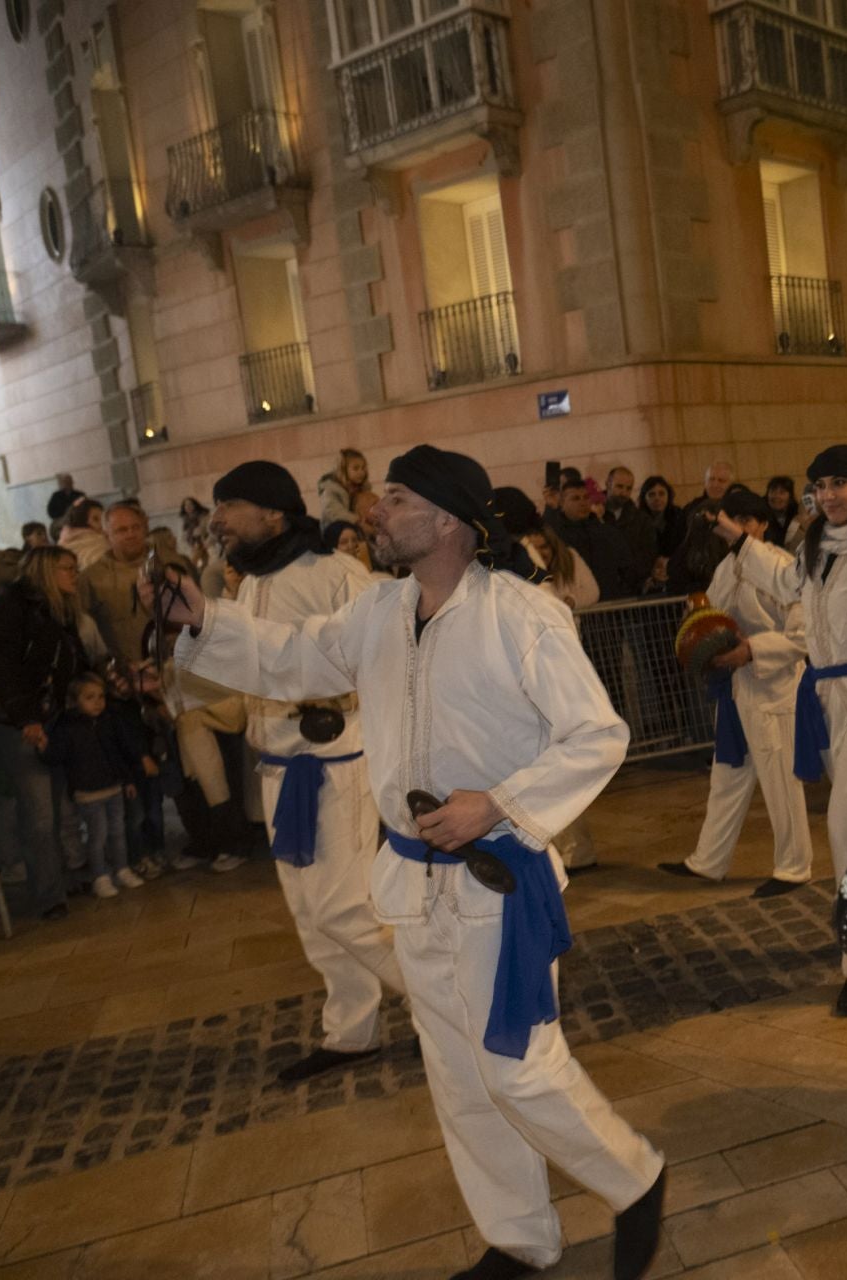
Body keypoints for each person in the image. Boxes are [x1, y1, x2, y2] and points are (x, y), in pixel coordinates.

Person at [150, 446, 667, 1280]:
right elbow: (291, 657)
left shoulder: (521, 614)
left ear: (449, 521)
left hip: (500, 881)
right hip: (411, 879)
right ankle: (519, 1238)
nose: (375, 514)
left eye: (394, 500)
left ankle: (636, 1176)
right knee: (458, 1074)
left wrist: (495, 802)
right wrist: (203, 619)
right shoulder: (379, 612)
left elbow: (598, 735)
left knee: (517, 1067)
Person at [205, 461, 410, 1084]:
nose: (216, 520)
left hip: (334, 767)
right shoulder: (248, 584)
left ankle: (450, 1011)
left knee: (346, 911)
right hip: (277, 765)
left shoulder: (336, 573)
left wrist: (337, 697)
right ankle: (352, 1032)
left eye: (228, 505)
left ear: (272, 512)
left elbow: (383, 652)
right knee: (309, 914)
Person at [715, 445, 847, 1017]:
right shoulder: (818, 546)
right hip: (834, 700)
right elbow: (790, 584)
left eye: (840, 483)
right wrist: (740, 542)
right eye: (820, 485)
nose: (828, 494)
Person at [659, 490, 814, 897]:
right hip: (735, 689)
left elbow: (802, 635)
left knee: (781, 780)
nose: (742, 528)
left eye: (749, 520)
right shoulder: (726, 567)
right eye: (734, 519)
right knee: (727, 778)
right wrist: (699, 628)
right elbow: (712, 614)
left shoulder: (783, 566)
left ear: (762, 525)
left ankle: (794, 867)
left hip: (774, 688)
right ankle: (709, 861)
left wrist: (752, 650)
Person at [0, 546, 93, 921]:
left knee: (56, 807)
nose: (74, 575)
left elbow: (72, 660)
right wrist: (26, 717)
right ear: (45, 571)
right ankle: (48, 895)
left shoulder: (59, 611)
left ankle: (60, 881)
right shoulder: (8, 610)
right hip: (18, 722)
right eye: (67, 568)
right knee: (39, 811)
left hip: (51, 717)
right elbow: (3, 670)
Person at [40, 672, 152, 899]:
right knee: (98, 834)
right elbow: (56, 755)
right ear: (75, 700)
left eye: (101, 696)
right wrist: (43, 747)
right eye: (89, 697)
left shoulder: (107, 722)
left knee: (117, 831)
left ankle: (121, 869)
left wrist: (127, 780)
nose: (98, 702)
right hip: (88, 793)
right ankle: (100, 876)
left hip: (113, 787)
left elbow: (117, 754)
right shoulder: (68, 727)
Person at [80, 502, 180, 668]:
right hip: (129, 676)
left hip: (178, 668)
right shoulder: (92, 579)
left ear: (145, 528)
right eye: (121, 530)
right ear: (107, 536)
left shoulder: (173, 563)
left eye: (136, 527)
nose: (131, 534)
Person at [548, 478, 636, 598]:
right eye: (576, 498)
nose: (583, 503)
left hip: (611, 605)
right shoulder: (555, 537)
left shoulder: (608, 532)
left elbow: (627, 568)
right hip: (577, 605)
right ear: (562, 504)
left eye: (586, 497)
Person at [318, 448, 370, 530]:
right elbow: (334, 512)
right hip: (334, 531)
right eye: (356, 468)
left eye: (363, 468)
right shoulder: (331, 489)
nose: (361, 472)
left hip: (354, 528)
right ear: (343, 470)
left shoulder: (362, 489)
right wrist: (356, 520)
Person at [59, 499, 109, 570]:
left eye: (103, 518)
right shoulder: (97, 541)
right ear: (82, 522)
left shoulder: (63, 541)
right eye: (95, 519)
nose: (102, 523)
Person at [764, 475, 798, 548]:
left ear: (790, 496)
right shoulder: (761, 517)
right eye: (773, 491)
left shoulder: (797, 514)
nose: (777, 496)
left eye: (782, 492)